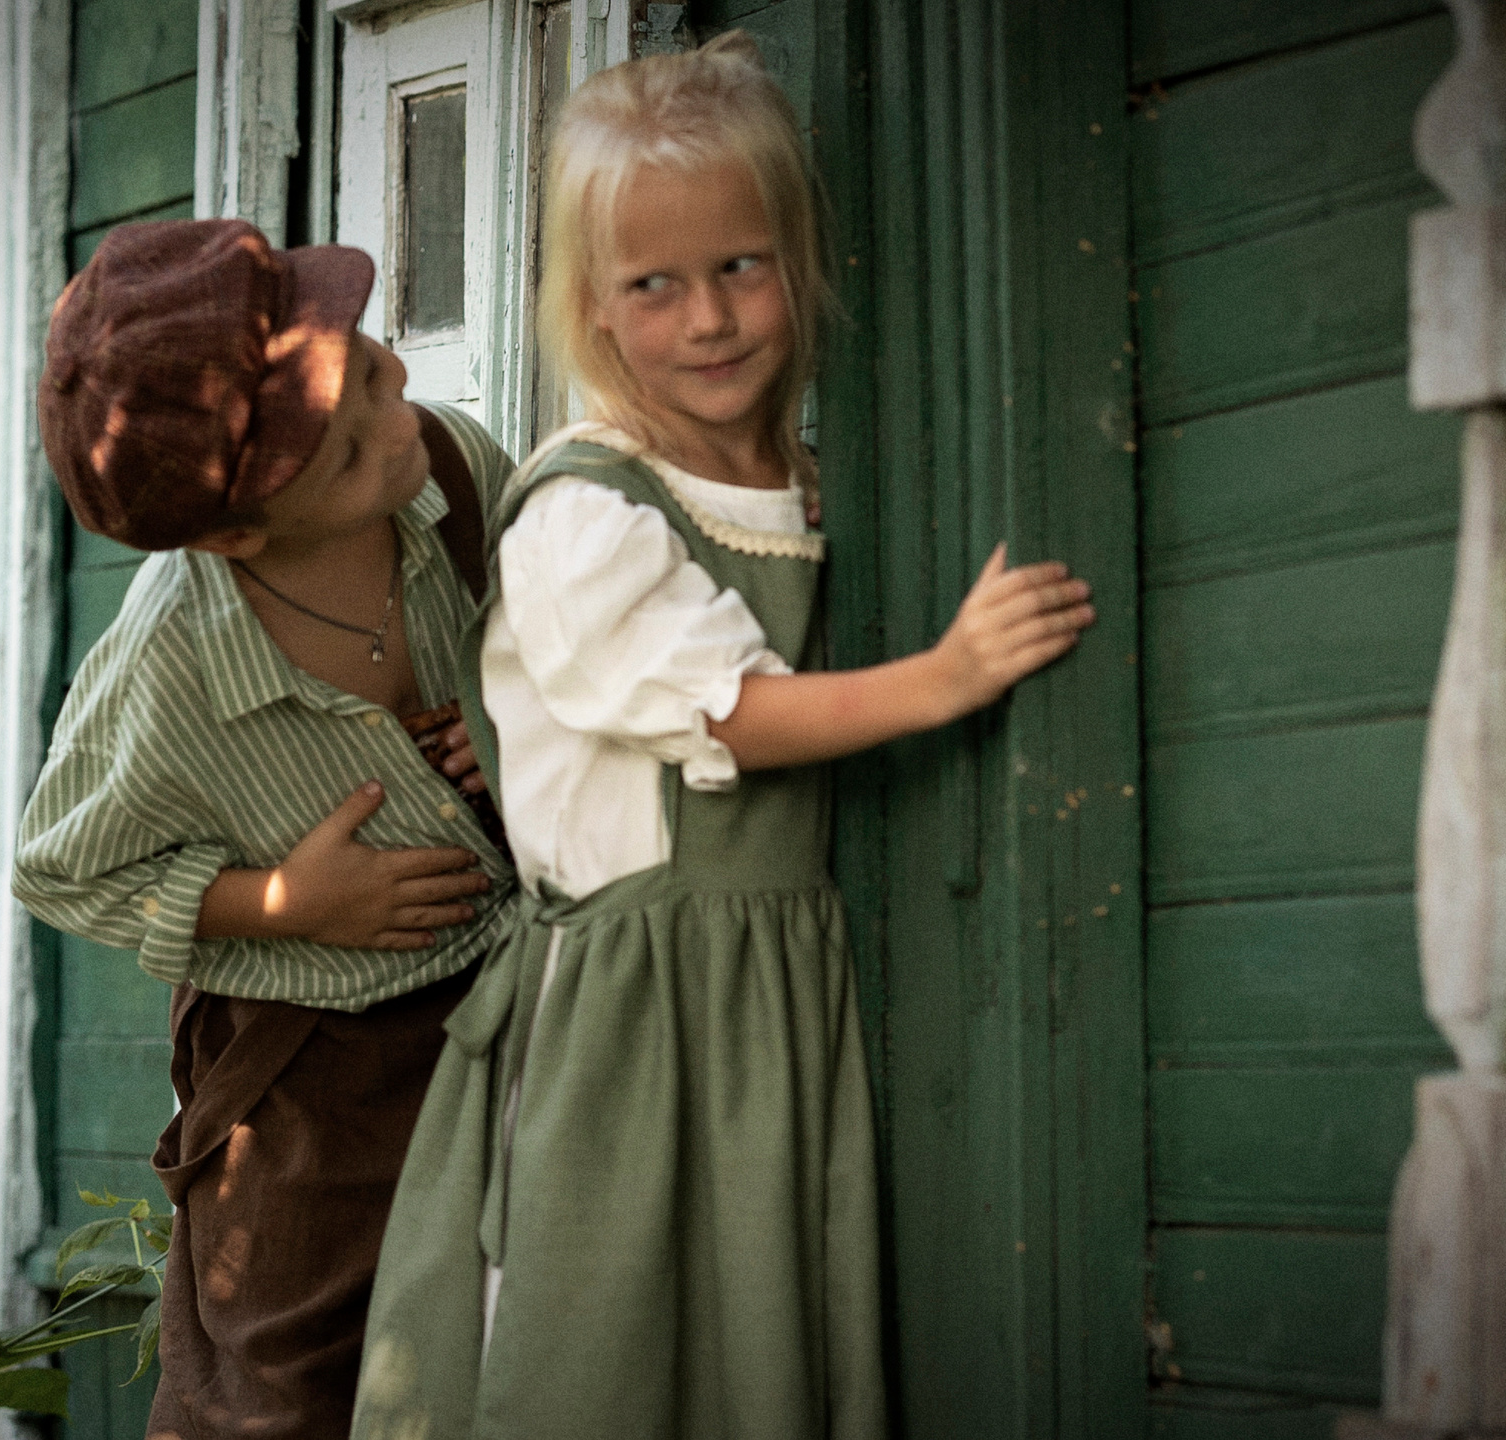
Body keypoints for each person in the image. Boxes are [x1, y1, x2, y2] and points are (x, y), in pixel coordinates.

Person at [351, 34, 1097, 1440]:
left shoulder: (805, 475)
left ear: (797, 261)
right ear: (592, 307)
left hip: (762, 978)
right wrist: (945, 676)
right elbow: (740, 716)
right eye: (655, 285)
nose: (709, 318)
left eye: (741, 267)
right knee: (606, 1352)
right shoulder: (591, 518)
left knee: (756, 1349)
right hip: (630, 1009)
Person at [13, 218, 519, 1440]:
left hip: (527, 996)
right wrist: (287, 903)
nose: (401, 424)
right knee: (284, 1390)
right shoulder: (175, 656)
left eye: (380, 373)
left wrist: (513, 724)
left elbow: (566, 639)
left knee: (510, 1352)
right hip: (315, 1066)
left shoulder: (454, 480)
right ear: (237, 534)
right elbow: (61, 871)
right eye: (349, 454)